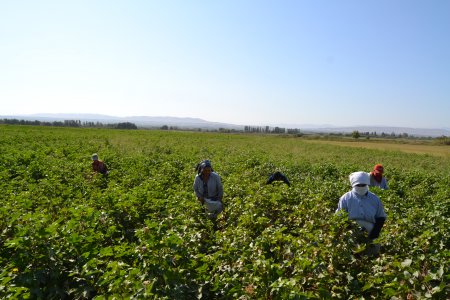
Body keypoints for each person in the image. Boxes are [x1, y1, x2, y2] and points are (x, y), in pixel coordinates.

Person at [336, 171, 387, 256]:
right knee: (352, 254)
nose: (361, 187)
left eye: (363, 185)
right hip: (351, 231)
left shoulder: (375, 199)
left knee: (372, 254)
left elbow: (381, 217)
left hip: (371, 230)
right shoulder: (345, 198)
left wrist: (374, 233)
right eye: (358, 185)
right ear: (353, 185)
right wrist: (349, 228)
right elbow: (339, 217)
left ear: (367, 184)